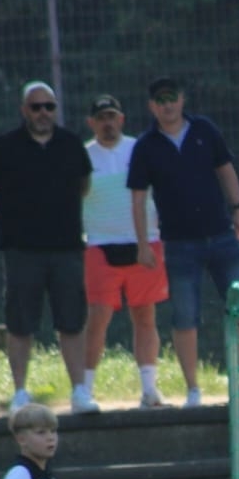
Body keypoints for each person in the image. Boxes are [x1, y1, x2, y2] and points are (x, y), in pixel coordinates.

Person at [128, 76, 239, 409]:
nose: (168, 105)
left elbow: (226, 170)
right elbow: (138, 198)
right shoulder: (146, 146)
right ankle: (193, 389)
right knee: (185, 315)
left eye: (172, 98)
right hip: (179, 243)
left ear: (182, 100)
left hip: (222, 235)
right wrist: (142, 244)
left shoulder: (204, 130)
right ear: (152, 106)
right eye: (160, 100)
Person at [0, 80, 94, 415]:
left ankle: (80, 392)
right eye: (36, 107)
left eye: (49, 107)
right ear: (24, 110)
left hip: (67, 248)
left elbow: (83, 186)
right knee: (20, 322)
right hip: (21, 250)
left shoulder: (71, 144)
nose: (43, 113)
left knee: (72, 320)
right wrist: (10, 217)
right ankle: (20, 393)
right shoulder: (2, 147)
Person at [80, 94, 171, 409]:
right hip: (99, 245)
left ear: (121, 119)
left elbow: (161, 189)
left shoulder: (140, 149)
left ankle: (149, 390)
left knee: (145, 315)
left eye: (112, 116)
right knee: (98, 317)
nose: (107, 123)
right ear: (91, 123)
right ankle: (84, 391)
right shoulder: (82, 156)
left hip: (145, 243)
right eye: (101, 118)